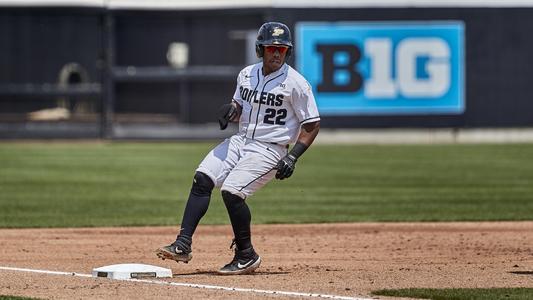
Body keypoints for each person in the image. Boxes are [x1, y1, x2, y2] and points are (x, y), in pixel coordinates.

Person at [156, 21, 320, 275]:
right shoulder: (246, 74)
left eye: (282, 49)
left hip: (269, 149)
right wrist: (232, 111)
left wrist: (293, 156)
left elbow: (311, 123)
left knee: (232, 192)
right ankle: (183, 244)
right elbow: (239, 105)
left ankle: (246, 254)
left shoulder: (297, 84)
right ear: (260, 49)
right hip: (240, 140)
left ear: (288, 52)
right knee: (202, 178)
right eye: (271, 48)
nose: (276, 53)